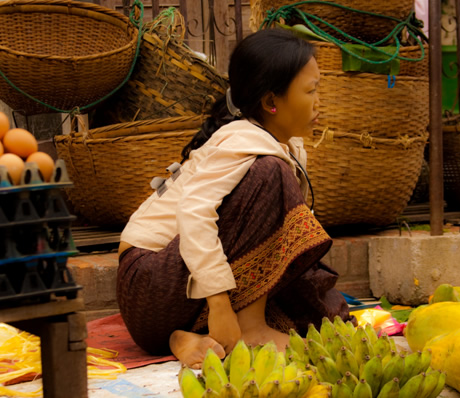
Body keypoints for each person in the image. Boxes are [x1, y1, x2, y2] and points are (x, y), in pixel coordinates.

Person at [116, 28, 353, 370]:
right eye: (311, 90)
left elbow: (274, 246)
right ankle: (251, 328)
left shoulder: (285, 148)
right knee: (271, 173)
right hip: (147, 285)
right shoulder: (244, 141)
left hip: (171, 306)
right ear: (271, 102)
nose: (319, 101)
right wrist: (220, 305)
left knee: (327, 318)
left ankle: (184, 335)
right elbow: (194, 213)